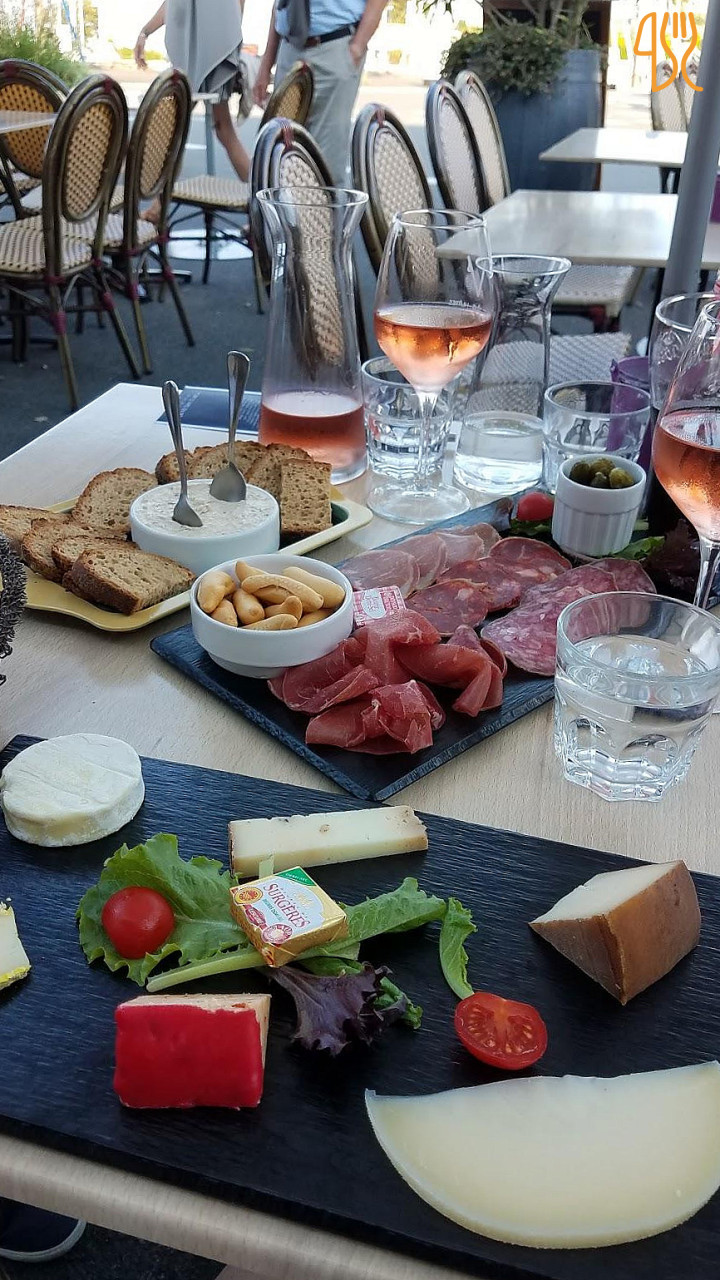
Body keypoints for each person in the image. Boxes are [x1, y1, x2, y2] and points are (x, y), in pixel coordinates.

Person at [253, 0, 388, 183]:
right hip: (288, 48)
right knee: (281, 159)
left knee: (326, 165)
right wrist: (266, 64)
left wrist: (357, 47)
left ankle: (327, 203)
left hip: (333, 46)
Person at [134, 0, 251, 185]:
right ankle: (261, 194)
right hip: (218, 46)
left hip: (198, 49)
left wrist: (145, 32)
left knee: (174, 128)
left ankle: (261, 194)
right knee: (215, 129)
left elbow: (174, 6)